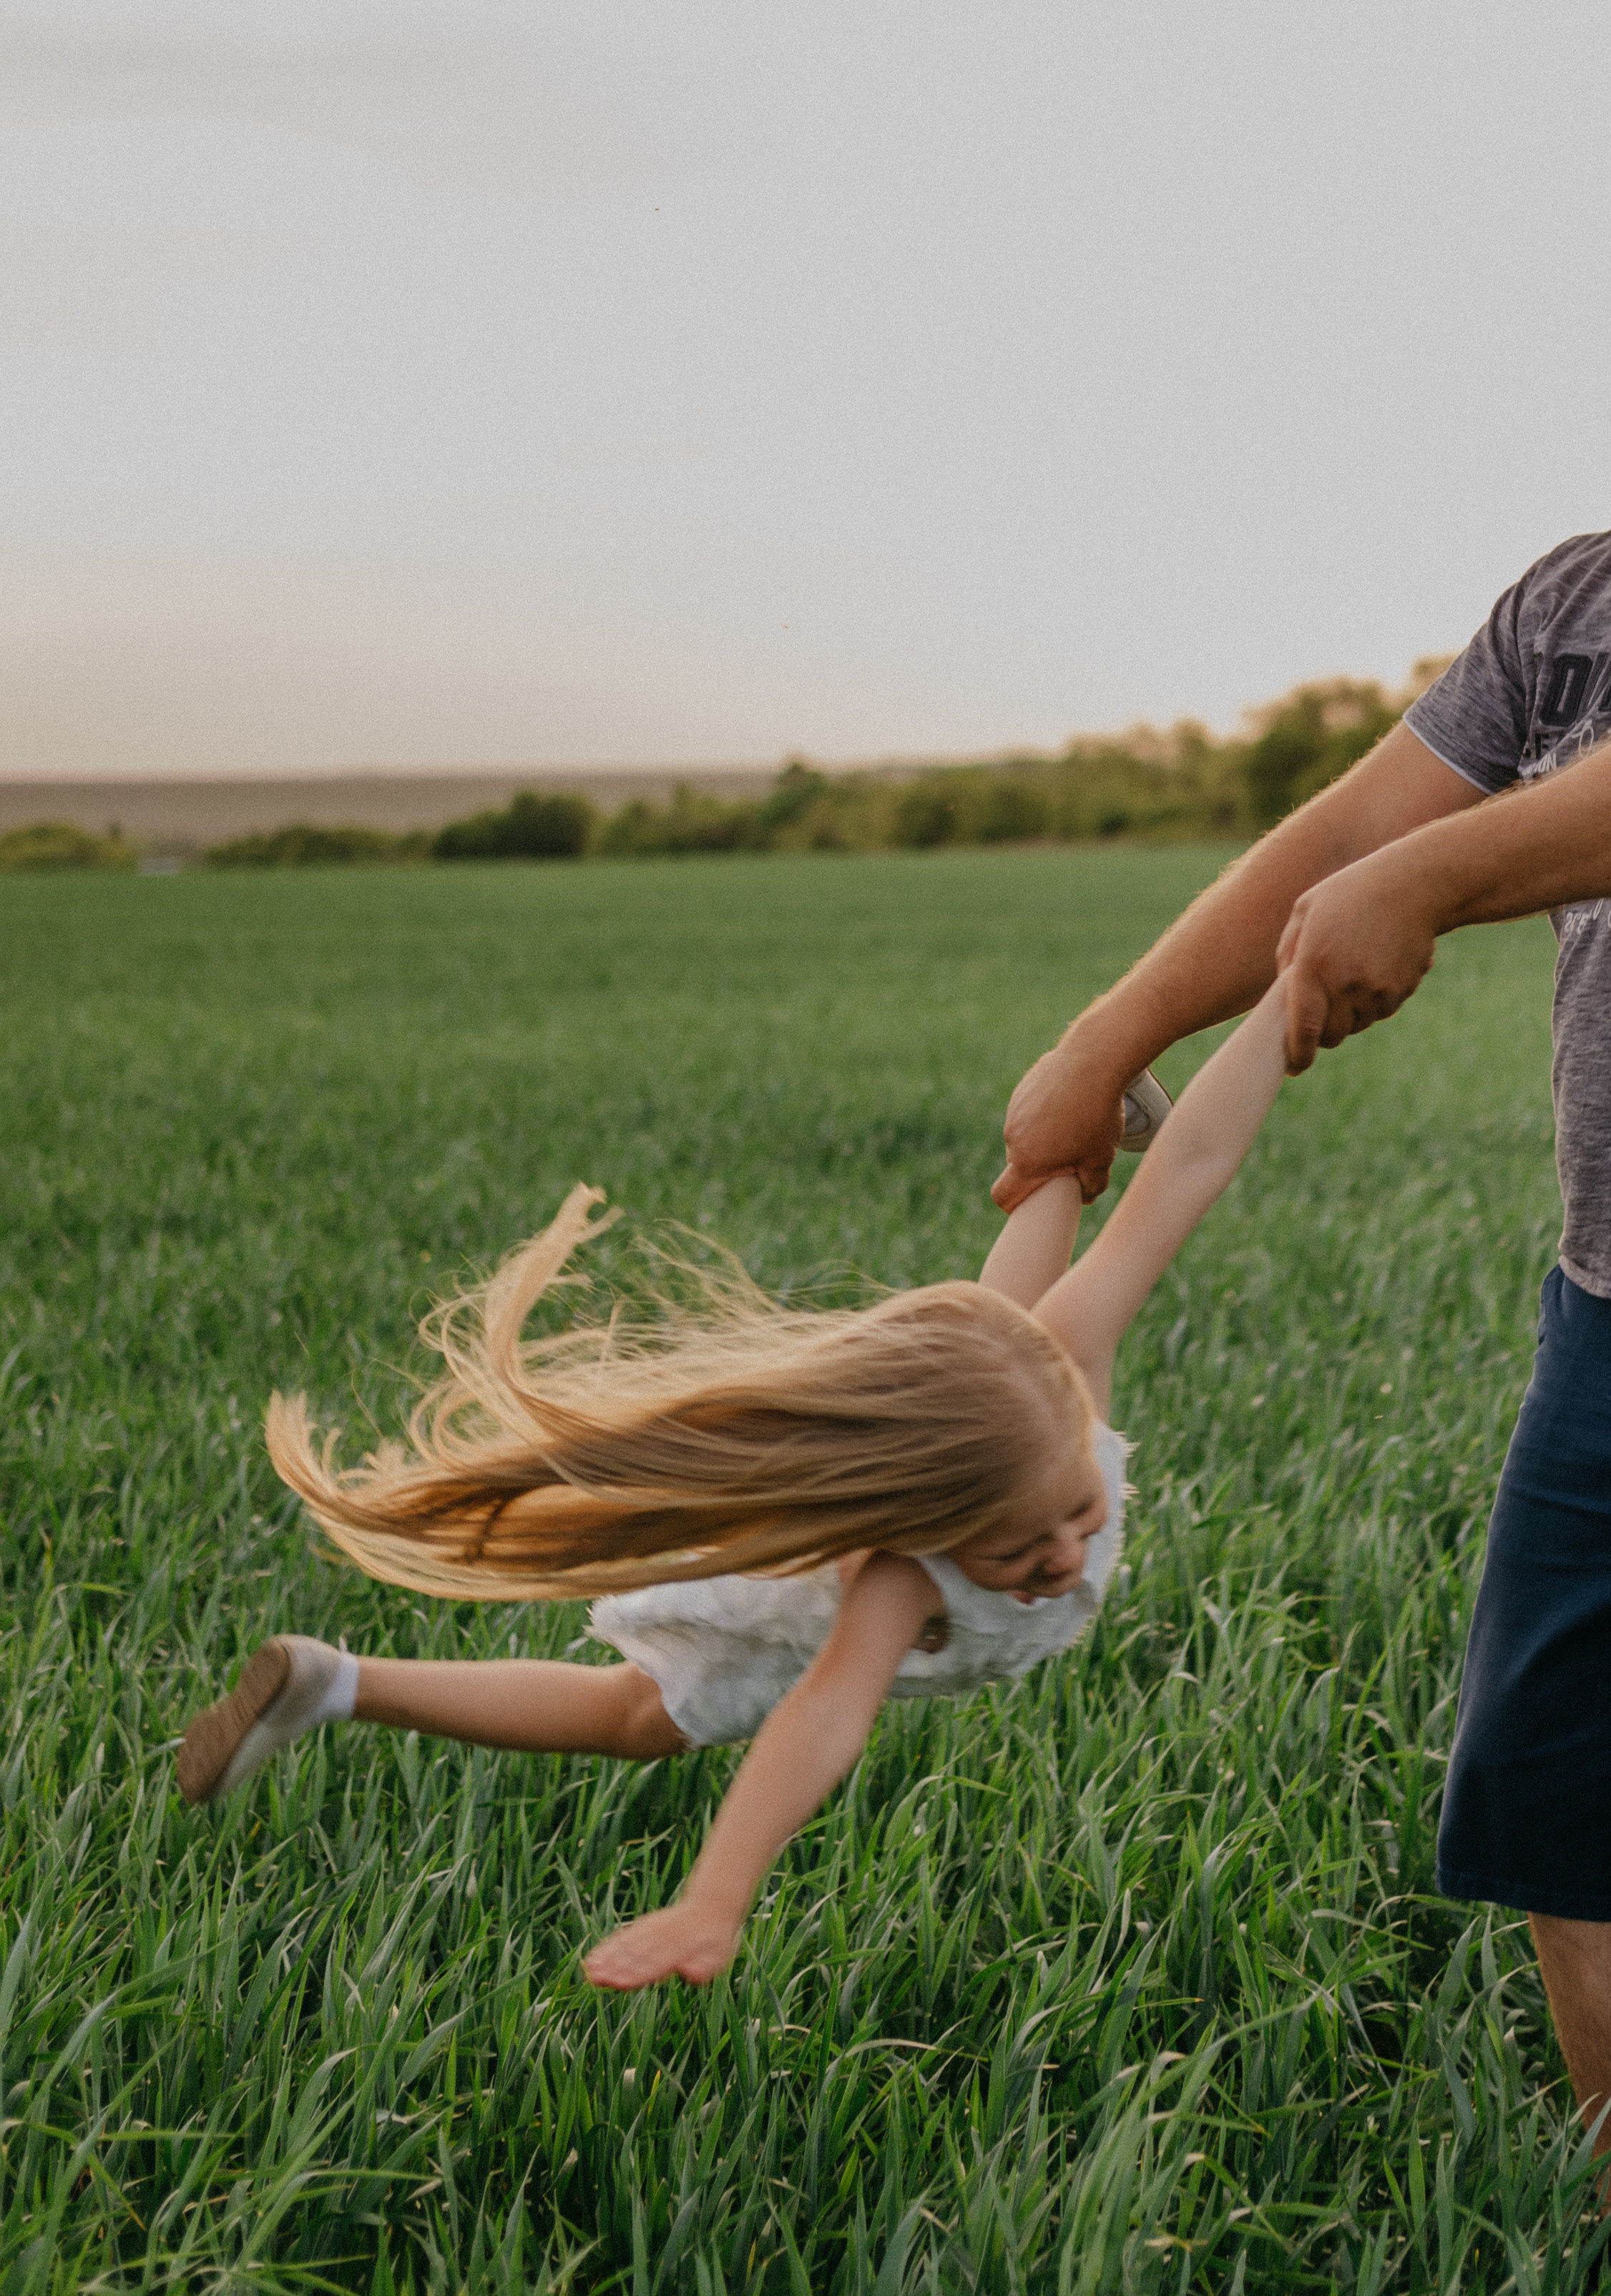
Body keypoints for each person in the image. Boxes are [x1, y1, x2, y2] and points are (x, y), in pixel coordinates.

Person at [177, 974, 1295, 1993]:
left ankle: (1075, 1139)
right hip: (783, 1603)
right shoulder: (900, 1574)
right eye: (1017, 1552)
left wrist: (1293, 992)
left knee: (1012, 1331)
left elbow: (1190, 1172)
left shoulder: (1061, 1388)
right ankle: (337, 1684)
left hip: (998, 1404)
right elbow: (822, 1717)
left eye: (1076, 1516)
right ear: (922, 1530)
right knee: (632, 1717)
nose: (1062, 1558)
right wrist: (718, 1898)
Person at [994, 528, 1611, 2151]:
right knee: (1554, 1794)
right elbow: (1346, 835)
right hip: (1607, 1315)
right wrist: (1105, 1037)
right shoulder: (1573, 606)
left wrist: (1427, 881)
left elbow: (1398, 863)